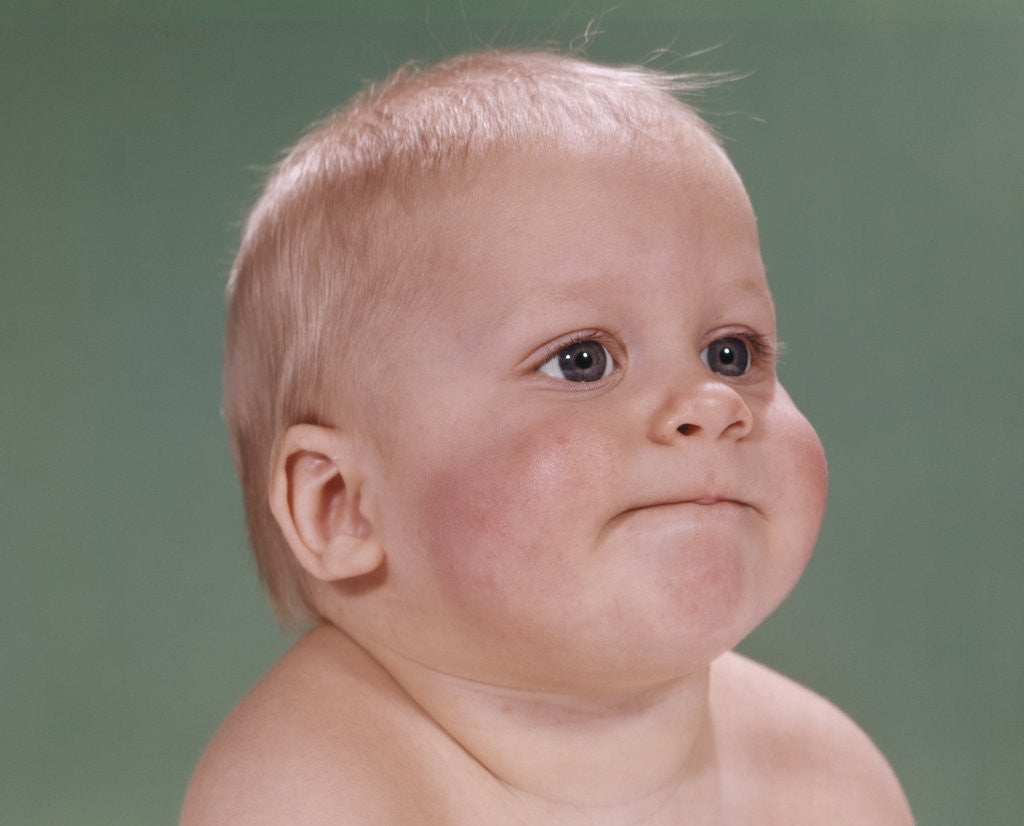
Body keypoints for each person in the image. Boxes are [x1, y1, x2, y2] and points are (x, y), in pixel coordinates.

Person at [181, 50, 914, 824]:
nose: (710, 403)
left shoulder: (827, 780)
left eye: (731, 353)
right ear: (342, 505)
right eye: (583, 361)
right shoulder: (313, 788)